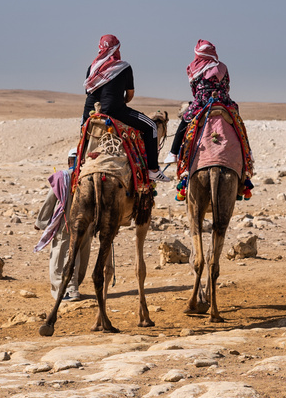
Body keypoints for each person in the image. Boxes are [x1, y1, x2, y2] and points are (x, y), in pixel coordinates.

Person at [81, 34, 159, 173]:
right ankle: (153, 169)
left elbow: (88, 93)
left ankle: (77, 165)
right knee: (152, 126)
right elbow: (129, 95)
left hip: (91, 113)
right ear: (117, 49)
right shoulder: (124, 67)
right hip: (114, 111)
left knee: (83, 133)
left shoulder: (92, 68)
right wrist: (120, 101)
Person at [36, 149, 88, 300]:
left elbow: (50, 199)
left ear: (69, 161)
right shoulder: (89, 177)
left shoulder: (62, 177)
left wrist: (41, 222)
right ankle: (74, 287)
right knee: (80, 254)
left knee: (63, 255)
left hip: (67, 223)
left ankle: (68, 291)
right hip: (86, 223)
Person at [170, 39, 233, 160]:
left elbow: (194, 90)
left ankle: (173, 153)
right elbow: (227, 85)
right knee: (237, 122)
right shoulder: (223, 66)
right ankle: (247, 153)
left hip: (201, 101)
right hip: (223, 100)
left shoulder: (193, 68)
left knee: (185, 120)